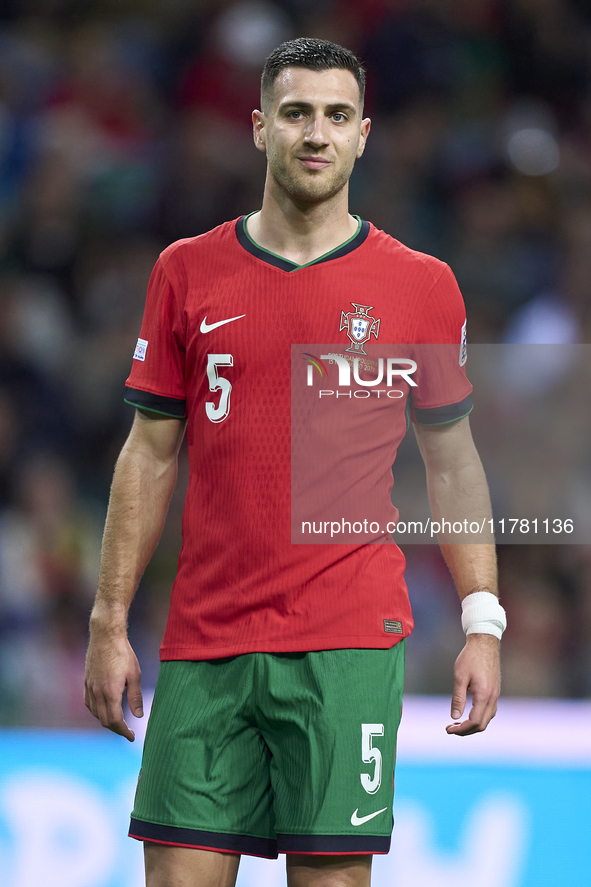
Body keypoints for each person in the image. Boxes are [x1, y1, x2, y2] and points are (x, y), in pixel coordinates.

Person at [84, 37, 506, 887]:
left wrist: (481, 621)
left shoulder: (419, 284)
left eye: (336, 116)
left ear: (362, 135)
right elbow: (150, 451)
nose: (316, 133)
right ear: (258, 127)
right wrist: (107, 617)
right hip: (206, 642)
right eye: (297, 113)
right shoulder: (186, 271)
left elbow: (452, 462)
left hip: (346, 645)